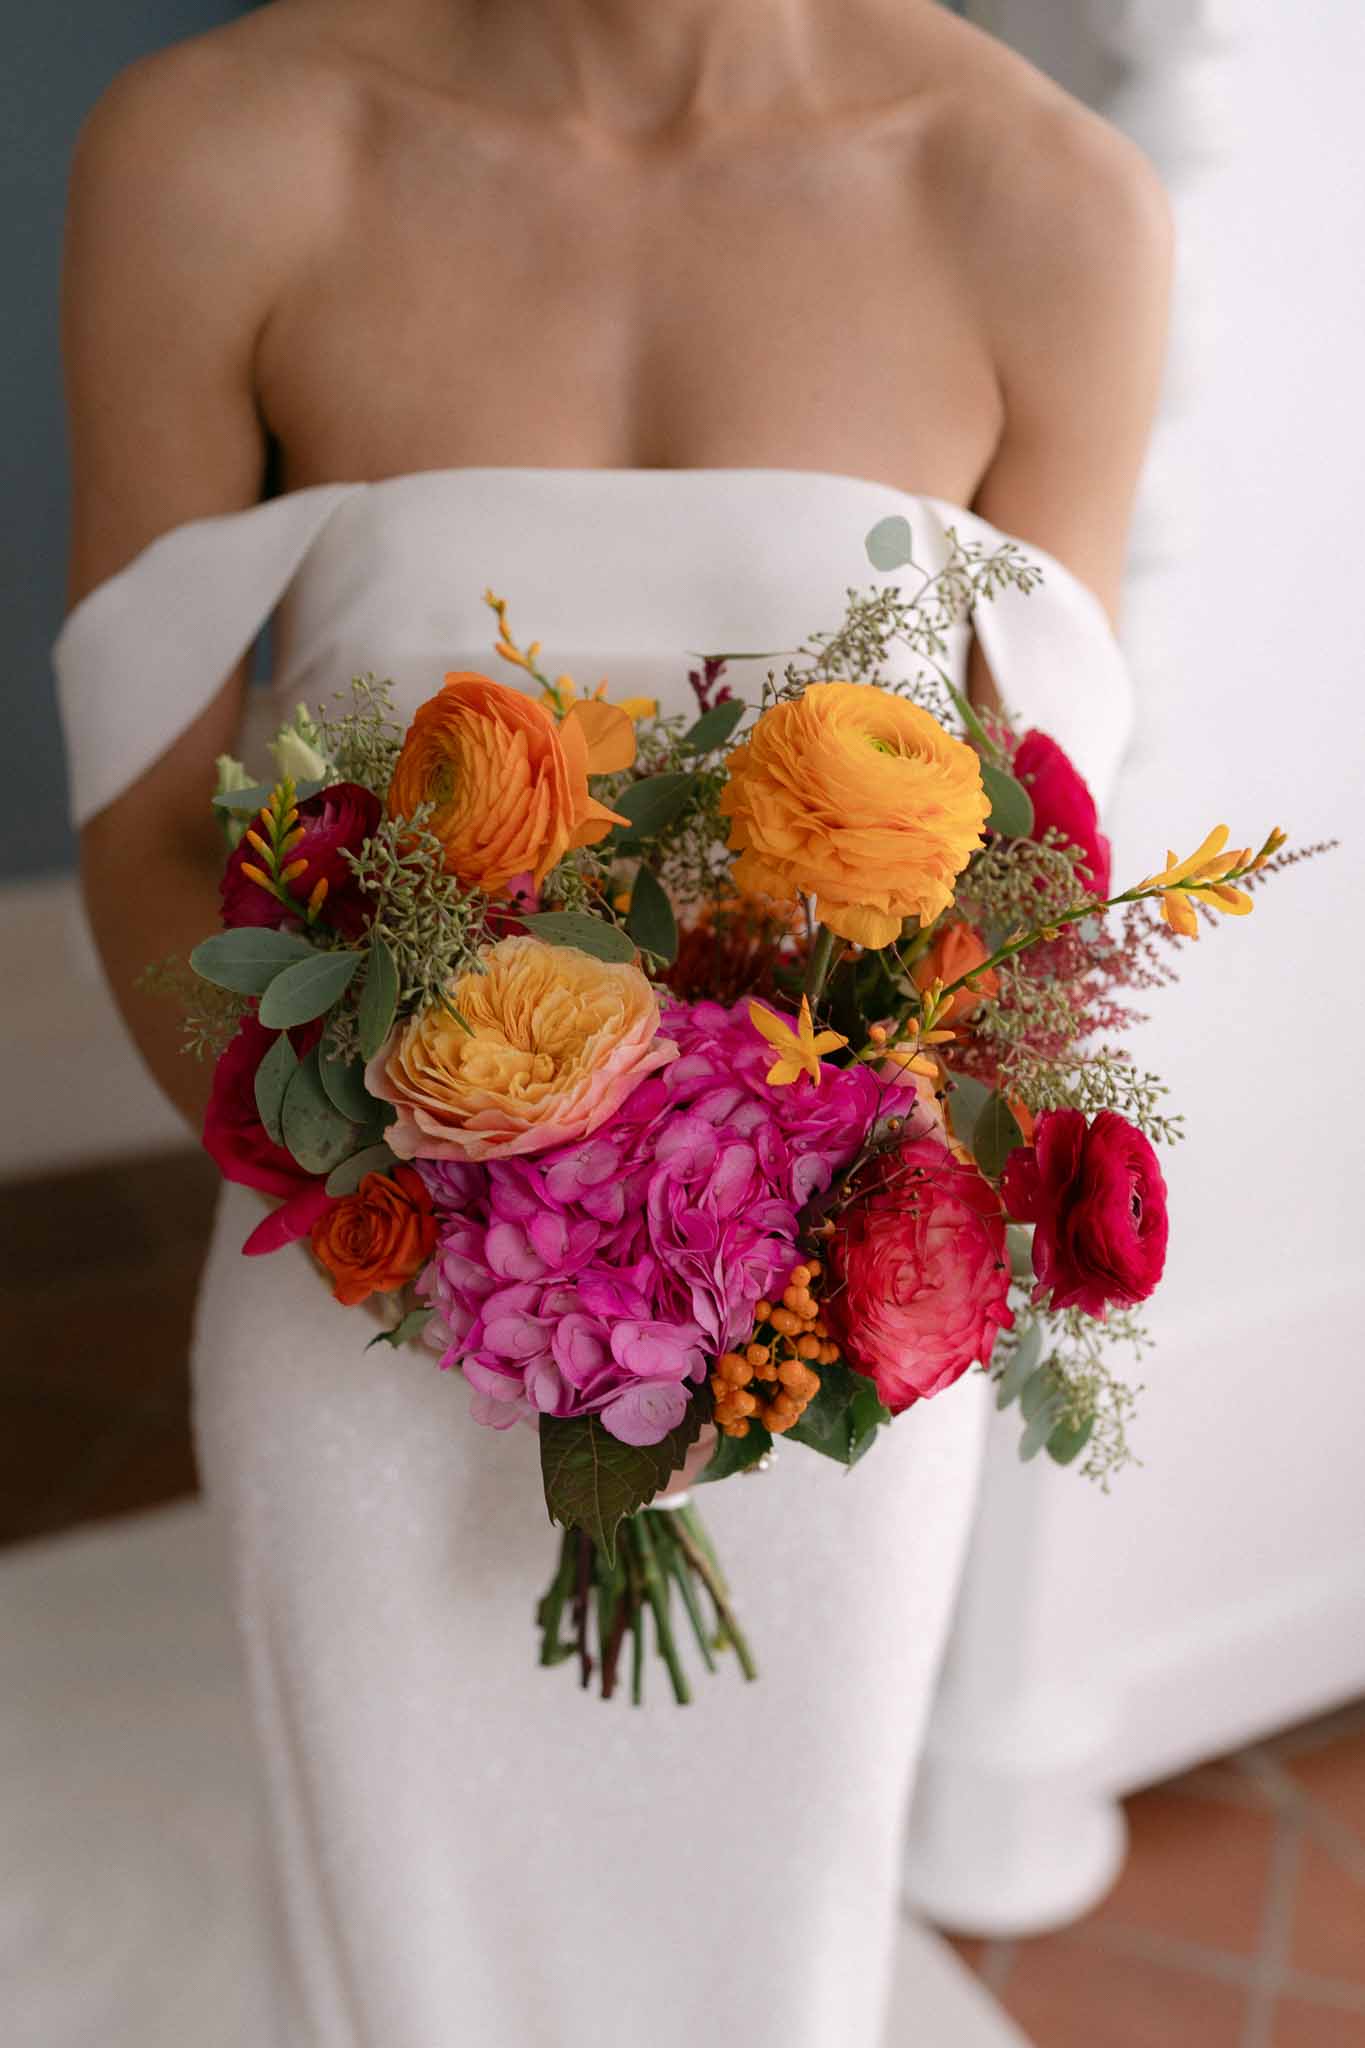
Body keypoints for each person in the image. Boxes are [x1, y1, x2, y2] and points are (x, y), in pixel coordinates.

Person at [52, 3, 1170, 2042]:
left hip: (806, 1351)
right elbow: (142, 828)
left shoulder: (1044, 204)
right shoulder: (217, 151)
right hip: (356, 1288)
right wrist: (448, 1229)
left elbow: (1034, 887)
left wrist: (773, 1268)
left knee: (763, 1932)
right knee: (396, 1931)